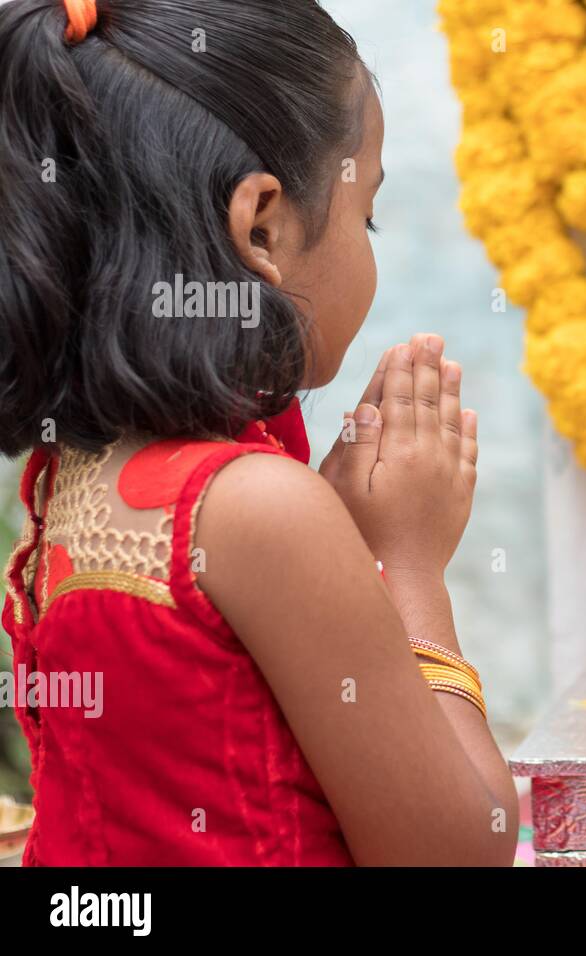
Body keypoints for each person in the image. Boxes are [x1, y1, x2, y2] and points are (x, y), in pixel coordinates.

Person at [0, 0, 517, 865]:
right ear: (263, 227)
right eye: (367, 214)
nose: (369, 241)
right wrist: (408, 564)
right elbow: (464, 849)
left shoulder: (72, 470)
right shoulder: (259, 510)